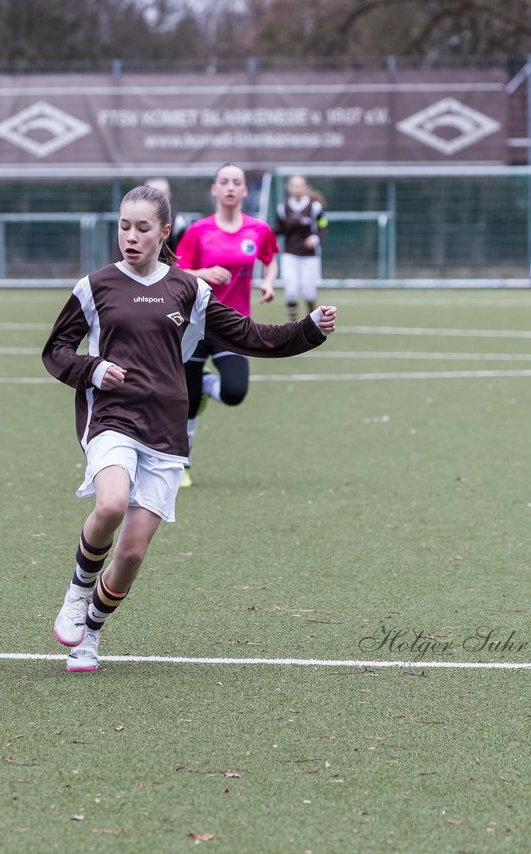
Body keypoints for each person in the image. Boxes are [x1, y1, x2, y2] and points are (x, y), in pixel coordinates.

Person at [42, 184, 336, 672]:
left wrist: (308, 329)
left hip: (166, 428)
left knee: (133, 553)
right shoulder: (93, 286)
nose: (130, 237)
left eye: (142, 228)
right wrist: (93, 369)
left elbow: (249, 335)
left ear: (164, 231)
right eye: (124, 226)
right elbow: (55, 351)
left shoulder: (188, 289)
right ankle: (76, 593)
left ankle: (90, 633)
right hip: (112, 418)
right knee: (111, 502)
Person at [174, 163, 279, 488]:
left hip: (233, 325)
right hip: (195, 323)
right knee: (186, 402)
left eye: (237, 182)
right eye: (224, 182)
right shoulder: (198, 231)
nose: (231, 187)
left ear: (245, 191)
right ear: (214, 189)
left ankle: (208, 385)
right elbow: (175, 272)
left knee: (235, 392)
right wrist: (204, 273)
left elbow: (270, 258)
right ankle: (182, 465)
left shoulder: (258, 230)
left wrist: (269, 283)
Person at [274, 174, 328, 322]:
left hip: (310, 256)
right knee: (291, 292)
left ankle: (313, 324)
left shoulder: (315, 208)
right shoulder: (283, 208)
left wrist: (315, 238)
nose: (297, 188)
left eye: (300, 185)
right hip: (290, 254)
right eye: (293, 185)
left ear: (306, 188)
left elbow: (323, 226)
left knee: (309, 293)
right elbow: (279, 229)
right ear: (289, 188)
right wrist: (264, 234)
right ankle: (294, 325)